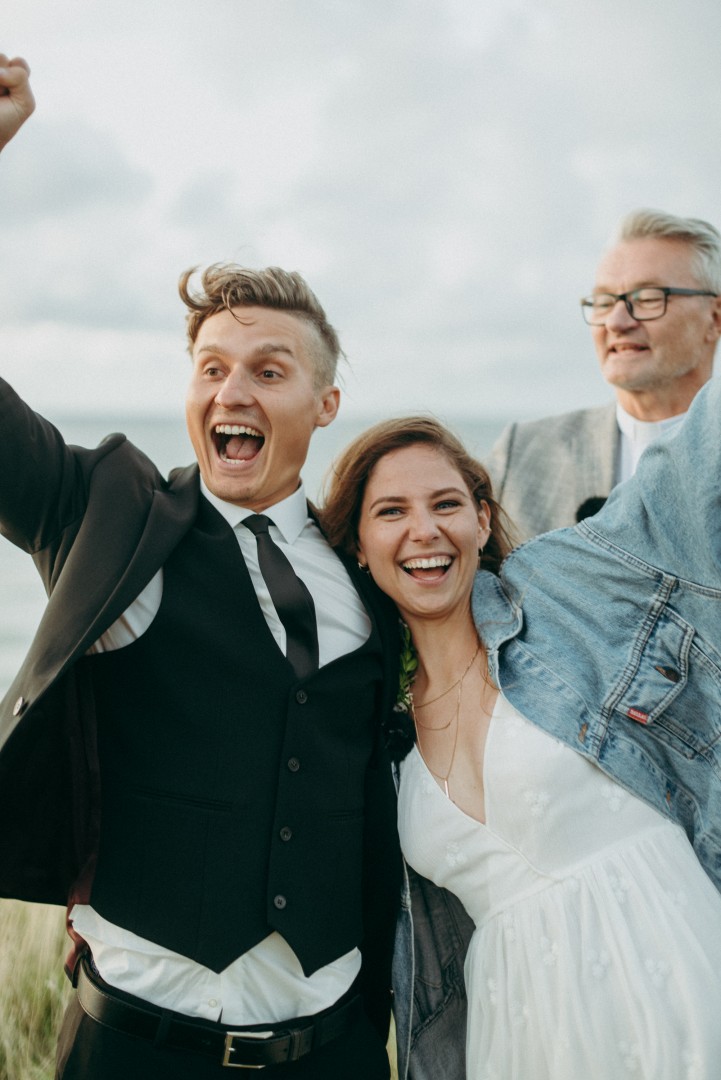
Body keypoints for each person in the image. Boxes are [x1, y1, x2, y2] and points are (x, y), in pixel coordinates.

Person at [0, 57, 401, 1079]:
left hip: (335, 1047)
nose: (232, 392)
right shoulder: (105, 513)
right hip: (134, 1045)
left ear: (324, 404)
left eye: (269, 371)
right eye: (212, 368)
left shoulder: (375, 566)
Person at [321, 384, 721, 1079]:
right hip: (520, 1031)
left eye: (446, 504)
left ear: (481, 520)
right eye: (391, 511)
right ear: (359, 544)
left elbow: (686, 473)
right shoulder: (373, 722)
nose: (424, 530)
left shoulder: (561, 593)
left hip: (673, 964)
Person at [488, 209, 721, 540]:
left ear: (714, 317)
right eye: (604, 301)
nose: (616, 322)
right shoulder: (523, 453)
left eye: (648, 298)